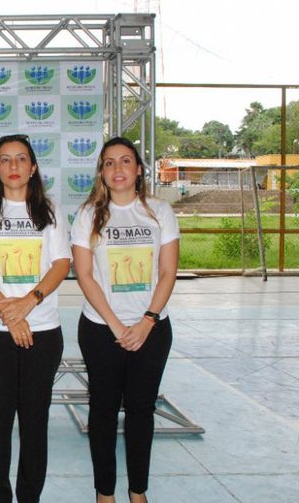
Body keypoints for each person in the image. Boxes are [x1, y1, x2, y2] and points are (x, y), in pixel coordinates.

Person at [70, 137, 179, 503]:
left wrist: (147, 322)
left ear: (139, 169)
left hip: (151, 330)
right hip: (102, 331)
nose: (118, 169)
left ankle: (138, 491)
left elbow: (167, 272)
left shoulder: (159, 211)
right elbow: (85, 276)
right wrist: (117, 326)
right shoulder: (88, 214)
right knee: (101, 411)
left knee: (140, 412)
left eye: (125, 161)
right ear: (101, 172)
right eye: (109, 163)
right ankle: (105, 493)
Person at [0, 134, 71, 503]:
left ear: (33, 167)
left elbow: (61, 264)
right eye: (5, 160)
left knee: (34, 423)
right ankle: (0, 497)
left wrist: (28, 303)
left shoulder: (51, 212)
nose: (13, 167)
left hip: (42, 330)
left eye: (21, 159)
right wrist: (10, 314)